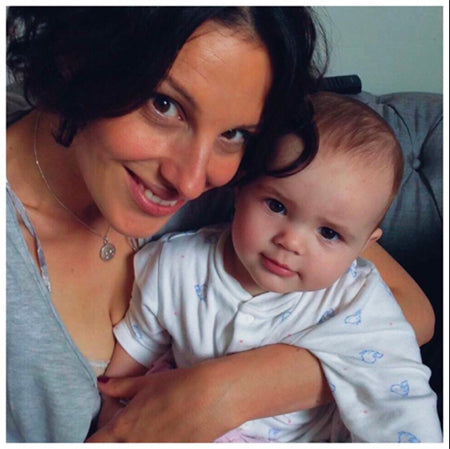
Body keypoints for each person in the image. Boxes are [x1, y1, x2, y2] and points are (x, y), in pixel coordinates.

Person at [6, 6, 435, 443]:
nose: (192, 182)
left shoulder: (253, 186)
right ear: (79, 55)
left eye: (234, 134)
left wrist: (229, 392)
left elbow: (412, 313)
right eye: (165, 105)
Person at [100, 92, 442, 442]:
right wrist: (113, 423)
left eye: (328, 233)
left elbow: (402, 406)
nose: (290, 242)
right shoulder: (173, 266)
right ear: (240, 188)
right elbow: (127, 367)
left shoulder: (357, 302)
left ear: (363, 246)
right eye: (276, 206)